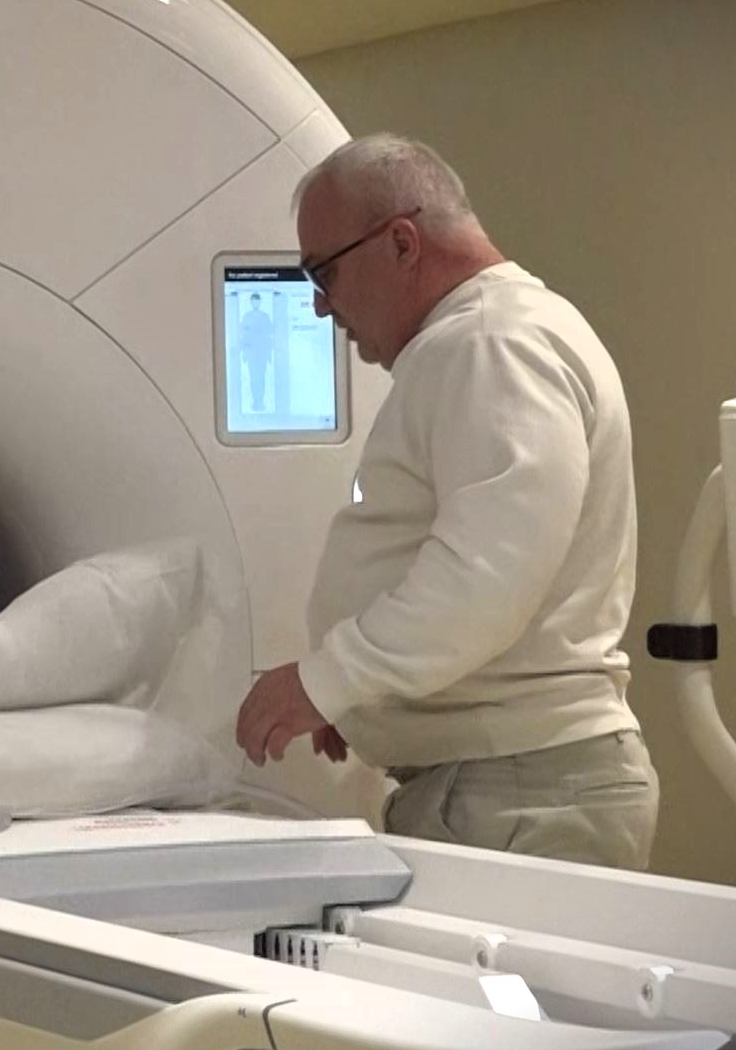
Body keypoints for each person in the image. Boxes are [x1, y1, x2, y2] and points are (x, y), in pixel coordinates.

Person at [233, 133, 659, 871]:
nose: (318, 304)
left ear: (401, 242)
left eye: (323, 272)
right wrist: (369, 701)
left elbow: (488, 575)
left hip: (522, 794)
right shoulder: (487, 338)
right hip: (506, 787)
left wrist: (327, 679)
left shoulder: (491, 344)